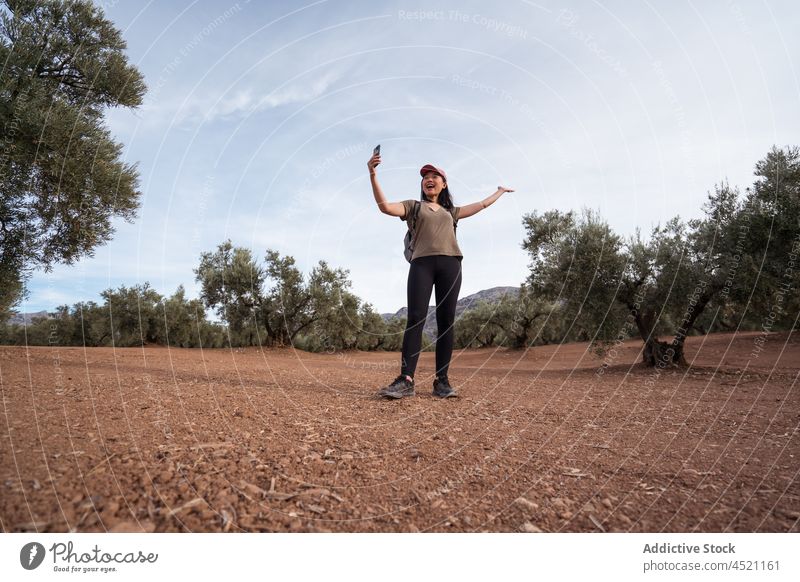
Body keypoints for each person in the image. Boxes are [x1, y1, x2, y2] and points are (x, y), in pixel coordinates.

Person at [367, 150, 514, 399]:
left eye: (435, 176)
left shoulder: (452, 212)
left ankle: (442, 381)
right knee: (415, 318)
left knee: (446, 323)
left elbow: (481, 205)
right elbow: (385, 207)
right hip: (421, 265)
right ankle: (406, 380)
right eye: (426, 176)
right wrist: (372, 173)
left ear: (444, 184)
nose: (429, 179)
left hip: (451, 265)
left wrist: (499, 191)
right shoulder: (413, 207)